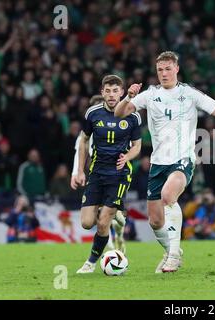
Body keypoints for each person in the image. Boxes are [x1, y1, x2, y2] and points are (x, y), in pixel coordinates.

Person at [114, 51, 215, 273]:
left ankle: (173, 255)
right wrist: (128, 96)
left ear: (176, 69)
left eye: (167, 69)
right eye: (160, 70)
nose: (163, 73)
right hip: (158, 163)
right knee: (155, 221)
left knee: (168, 196)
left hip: (182, 159)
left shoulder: (189, 94)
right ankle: (171, 249)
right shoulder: (149, 95)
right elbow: (120, 113)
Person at [73, 75, 142, 273]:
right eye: (108, 91)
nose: (112, 95)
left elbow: (137, 146)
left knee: (103, 223)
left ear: (121, 92)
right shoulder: (92, 113)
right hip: (97, 172)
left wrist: (127, 157)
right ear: (102, 92)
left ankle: (91, 263)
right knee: (87, 223)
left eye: (115, 91)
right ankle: (115, 214)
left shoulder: (133, 115)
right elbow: (83, 141)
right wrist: (79, 171)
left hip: (119, 174)